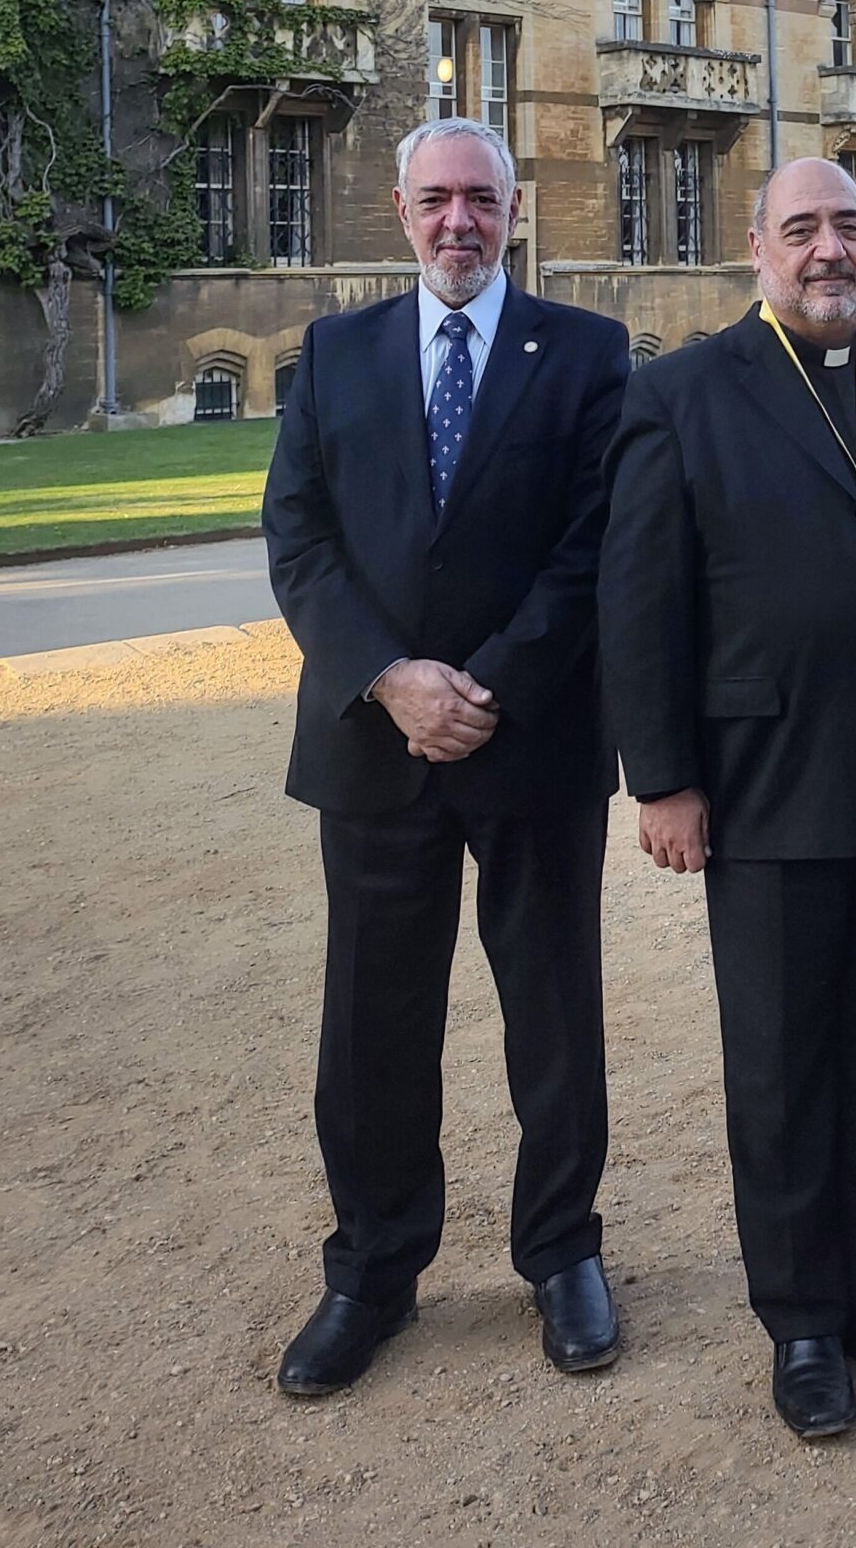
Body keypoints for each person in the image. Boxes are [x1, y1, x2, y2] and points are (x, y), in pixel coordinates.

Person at [599, 156, 856, 1439]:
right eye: (800, 229)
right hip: (764, 787)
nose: (826, 249)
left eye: (845, 225)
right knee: (780, 1068)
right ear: (756, 250)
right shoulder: (678, 393)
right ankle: (803, 1324)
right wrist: (661, 777)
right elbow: (640, 599)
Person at [262, 117, 630, 1397]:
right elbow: (298, 538)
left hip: (529, 740)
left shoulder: (585, 351)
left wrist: (487, 686)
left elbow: (594, 543)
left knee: (553, 1011)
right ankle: (371, 1266)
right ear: (400, 210)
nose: (458, 220)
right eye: (435, 200)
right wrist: (391, 676)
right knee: (372, 1019)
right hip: (374, 742)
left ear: (514, 210)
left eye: (481, 198)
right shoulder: (334, 349)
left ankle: (562, 1252)